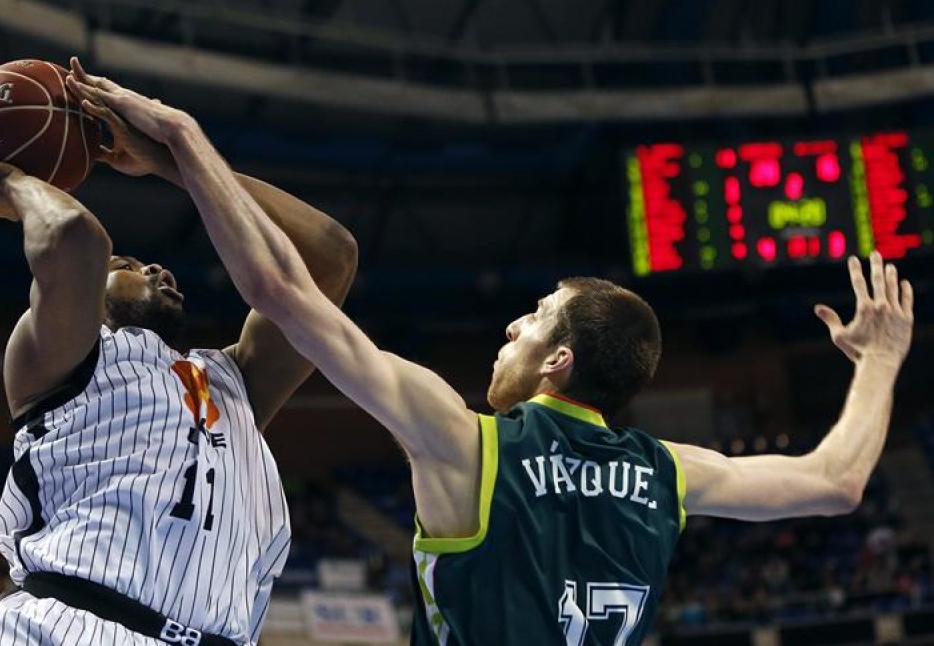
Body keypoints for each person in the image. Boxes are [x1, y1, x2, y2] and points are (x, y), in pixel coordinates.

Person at [67, 63, 914, 646]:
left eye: (534, 319)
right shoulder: (670, 474)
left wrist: (183, 143)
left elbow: (287, 291)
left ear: (560, 364)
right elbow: (834, 482)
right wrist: (879, 360)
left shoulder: (466, 441)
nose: (511, 328)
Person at [0, 58, 357, 645]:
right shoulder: (59, 360)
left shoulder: (234, 380)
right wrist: (7, 180)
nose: (153, 266)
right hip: (67, 624)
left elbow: (330, 257)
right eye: (126, 266)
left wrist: (176, 164)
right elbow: (75, 239)